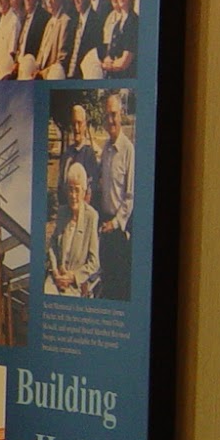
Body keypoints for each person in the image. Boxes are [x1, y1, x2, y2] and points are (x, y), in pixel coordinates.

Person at [95, 91, 135, 299]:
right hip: (104, 224)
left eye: (114, 114)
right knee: (106, 277)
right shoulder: (106, 149)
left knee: (118, 282)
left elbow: (130, 195)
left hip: (119, 229)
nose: (110, 120)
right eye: (107, 115)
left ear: (121, 114)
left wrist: (115, 222)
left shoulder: (128, 150)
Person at [49, 162, 100, 295]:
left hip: (75, 284)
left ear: (84, 191)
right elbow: (53, 245)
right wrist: (55, 271)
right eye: (70, 189)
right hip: (56, 279)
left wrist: (73, 277)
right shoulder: (62, 212)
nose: (73, 195)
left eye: (77, 190)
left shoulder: (91, 216)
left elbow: (94, 263)